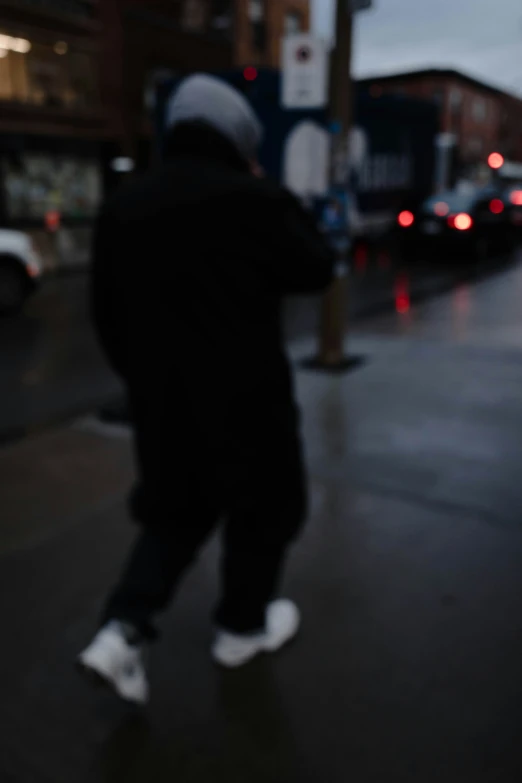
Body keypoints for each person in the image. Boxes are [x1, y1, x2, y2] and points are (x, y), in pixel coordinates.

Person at [77, 74, 334, 705]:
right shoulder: (254, 200)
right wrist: (275, 192)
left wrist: (143, 378)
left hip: (165, 405)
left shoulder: (123, 207)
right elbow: (317, 268)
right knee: (265, 512)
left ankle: (121, 630)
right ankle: (240, 630)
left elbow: (106, 315)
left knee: (174, 516)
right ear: (238, 138)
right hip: (249, 403)